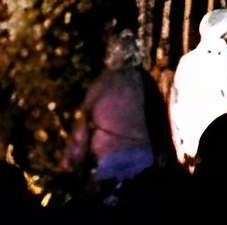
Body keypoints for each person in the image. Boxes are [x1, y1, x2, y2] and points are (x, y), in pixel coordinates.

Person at [64, 30, 165, 193]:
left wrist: (71, 160)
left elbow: (82, 124)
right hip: (143, 156)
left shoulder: (102, 82)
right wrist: (163, 150)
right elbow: (159, 117)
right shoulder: (144, 80)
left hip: (110, 158)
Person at [168, 7, 227, 165]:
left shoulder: (186, 61)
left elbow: (174, 108)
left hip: (195, 153)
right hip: (226, 149)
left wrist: (180, 149)